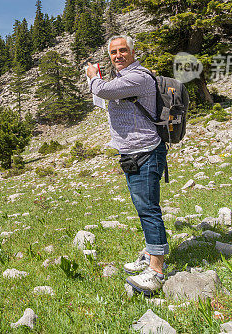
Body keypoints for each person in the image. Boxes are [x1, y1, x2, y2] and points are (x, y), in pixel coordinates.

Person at [86, 34, 168, 296]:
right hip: (132, 152)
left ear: (133, 53)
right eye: (113, 53)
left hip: (145, 151)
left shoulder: (139, 77)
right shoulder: (123, 78)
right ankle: (148, 253)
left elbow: (101, 90)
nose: (118, 55)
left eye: (123, 51)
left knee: (148, 209)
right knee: (142, 206)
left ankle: (156, 271)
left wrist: (92, 75)